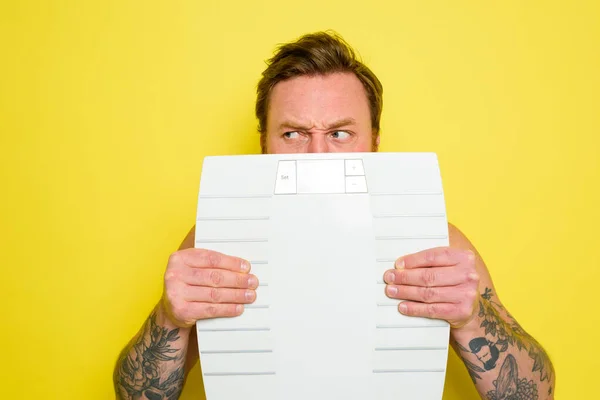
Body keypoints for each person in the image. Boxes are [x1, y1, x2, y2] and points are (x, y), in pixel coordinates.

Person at [113, 31, 555, 400]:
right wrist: (170, 318)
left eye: (340, 133)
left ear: (374, 143)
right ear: (264, 142)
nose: (317, 155)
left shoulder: (435, 241)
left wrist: (472, 316)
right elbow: (133, 395)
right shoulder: (216, 238)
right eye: (294, 134)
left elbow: (537, 394)